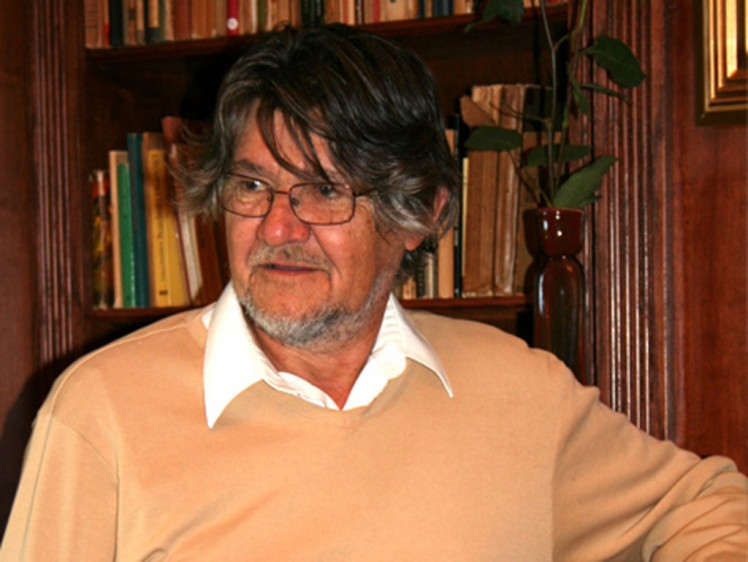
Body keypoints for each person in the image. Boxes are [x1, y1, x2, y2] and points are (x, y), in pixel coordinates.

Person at [1, 24, 746, 561]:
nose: (277, 227)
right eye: (252, 186)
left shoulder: (523, 395)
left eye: (324, 191)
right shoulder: (102, 412)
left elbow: (710, 510)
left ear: (418, 214)